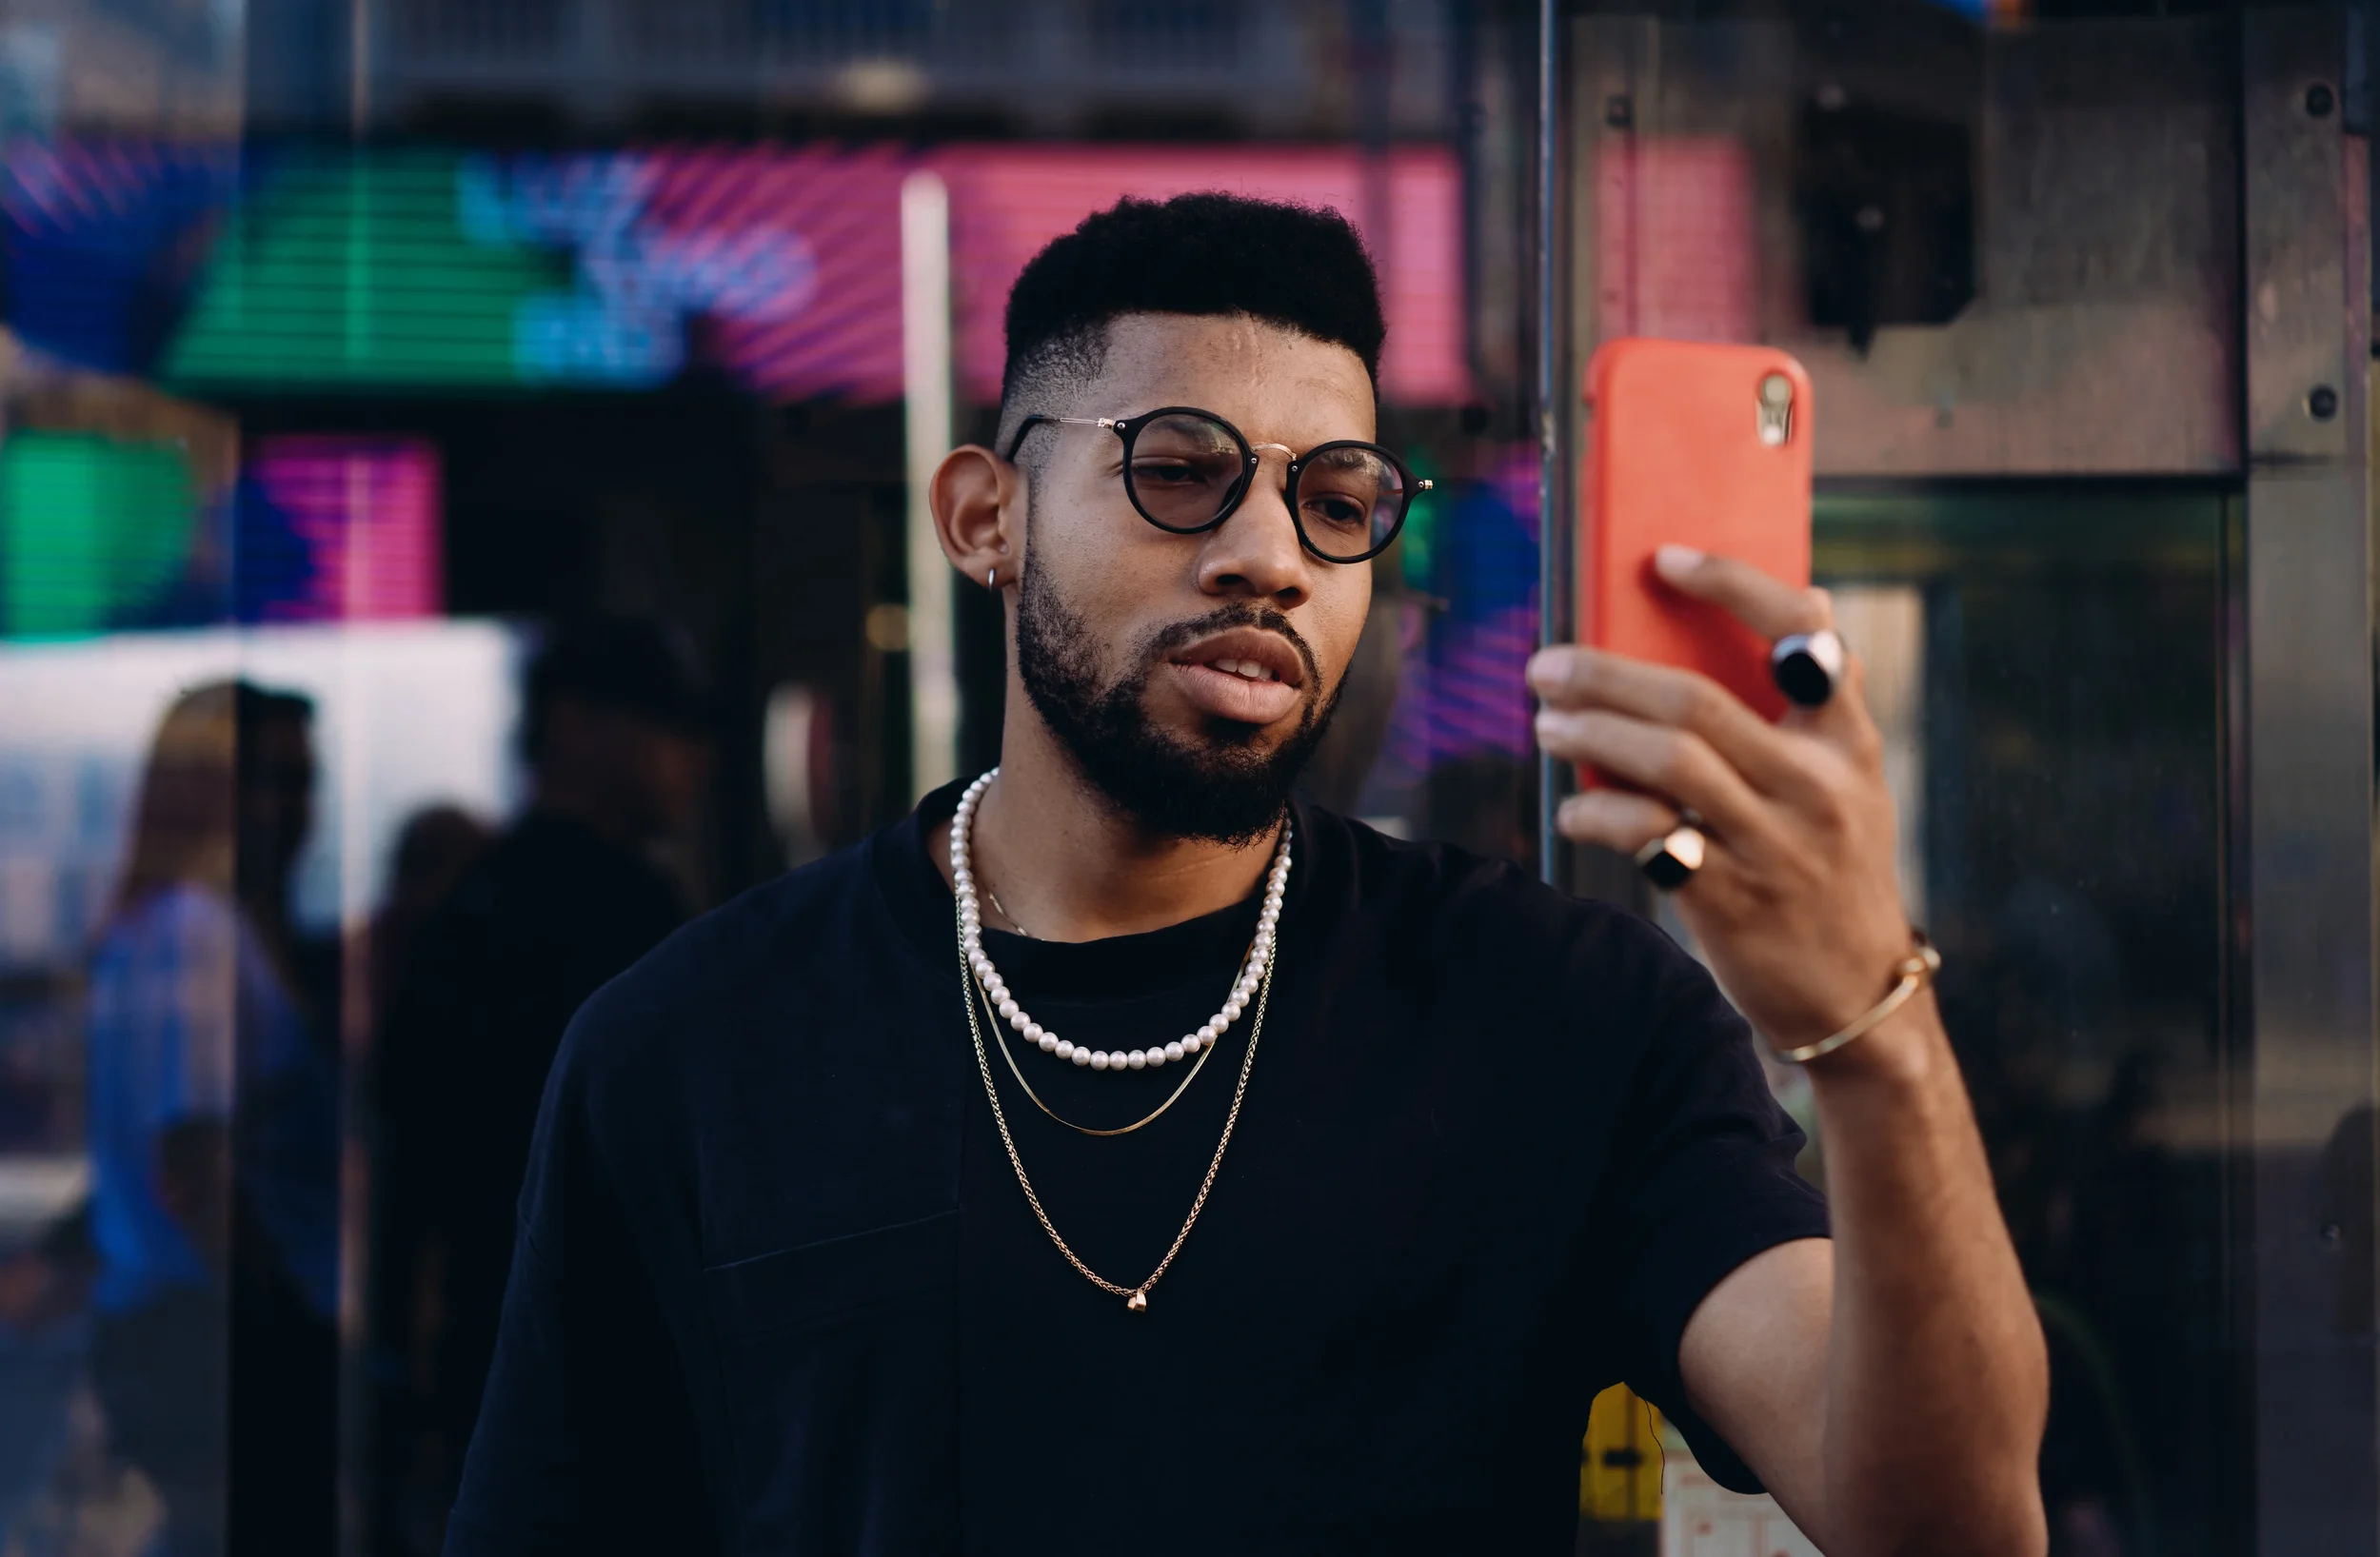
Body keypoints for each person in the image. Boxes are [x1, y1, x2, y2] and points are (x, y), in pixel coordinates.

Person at [448, 195, 2047, 1554]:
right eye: (1179, 468)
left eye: (1336, 500)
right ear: (985, 517)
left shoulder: (1561, 1018)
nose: (1270, 552)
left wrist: (1875, 1025)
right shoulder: (693, 1047)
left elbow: (1948, 1525)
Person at [375, 617, 709, 1549]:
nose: (689, 761)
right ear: (573, 724)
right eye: (664, 727)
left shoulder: (479, 902)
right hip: (585, 1341)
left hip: (500, 1332)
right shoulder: (612, 910)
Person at [85, 680, 339, 1557]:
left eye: (306, 782)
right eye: (266, 781)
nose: (292, 810)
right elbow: (193, 1169)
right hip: (209, 1332)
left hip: (183, 1324)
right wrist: (293, 1326)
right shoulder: (192, 929)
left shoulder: (164, 927)